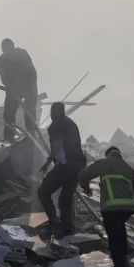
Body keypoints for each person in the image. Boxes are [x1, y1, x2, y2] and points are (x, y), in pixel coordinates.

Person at [79, 146, 134, 267]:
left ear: (108, 154)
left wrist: (85, 186)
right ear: (119, 155)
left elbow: (84, 175)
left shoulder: (104, 162)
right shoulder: (128, 168)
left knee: (115, 239)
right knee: (120, 233)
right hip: (126, 210)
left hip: (111, 208)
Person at [37, 102, 86, 239]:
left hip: (66, 166)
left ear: (53, 112)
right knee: (65, 198)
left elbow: (57, 143)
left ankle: (54, 225)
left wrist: (48, 161)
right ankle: (67, 229)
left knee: (43, 191)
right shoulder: (71, 123)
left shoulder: (56, 125)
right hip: (78, 165)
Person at [0, 38, 39, 142]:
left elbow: (32, 70)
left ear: (13, 46)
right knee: (9, 113)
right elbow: (3, 77)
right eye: (4, 48)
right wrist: (10, 89)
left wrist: (31, 86)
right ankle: (8, 137)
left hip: (29, 86)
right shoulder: (1, 60)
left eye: (8, 47)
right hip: (13, 89)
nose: (7, 50)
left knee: (30, 111)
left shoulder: (22, 53)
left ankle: (31, 132)